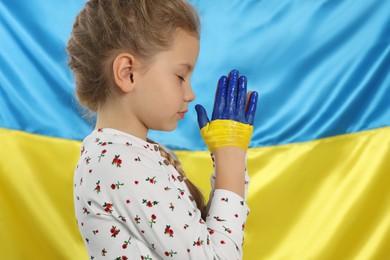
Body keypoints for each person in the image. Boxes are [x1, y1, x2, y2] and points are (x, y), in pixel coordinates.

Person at [67, 0, 258, 259]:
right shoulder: (119, 164)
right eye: (180, 76)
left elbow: (202, 240)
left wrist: (229, 162)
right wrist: (231, 158)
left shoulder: (132, 155)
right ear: (128, 73)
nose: (190, 94)